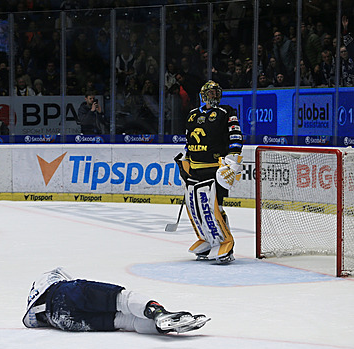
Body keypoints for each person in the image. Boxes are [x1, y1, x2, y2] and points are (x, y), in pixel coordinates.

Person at [23, 267, 209, 334]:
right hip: (66, 294)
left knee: (123, 321)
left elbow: (32, 322)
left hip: (61, 321)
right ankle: (160, 314)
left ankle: (160, 327)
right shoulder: (52, 279)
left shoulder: (35, 305)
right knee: (122, 300)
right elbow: (71, 283)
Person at [178, 80, 243, 264]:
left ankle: (225, 243)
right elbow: (189, 140)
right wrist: (186, 157)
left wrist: (233, 158)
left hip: (215, 169)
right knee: (196, 208)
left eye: (216, 93)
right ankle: (207, 239)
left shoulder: (226, 112)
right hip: (196, 169)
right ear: (203, 95)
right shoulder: (192, 115)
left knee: (215, 208)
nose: (214, 96)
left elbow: (236, 135)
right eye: (211, 93)